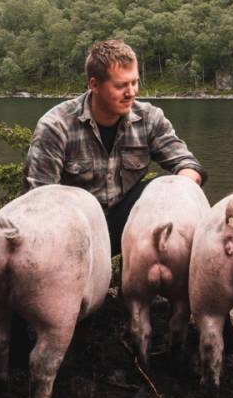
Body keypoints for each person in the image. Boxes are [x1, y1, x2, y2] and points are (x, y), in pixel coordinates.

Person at [24, 39, 206, 255]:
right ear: (94, 85)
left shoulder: (149, 118)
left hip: (125, 224)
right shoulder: (56, 126)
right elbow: (38, 200)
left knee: (164, 185)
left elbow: (188, 165)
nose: (131, 92)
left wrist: (178, 191)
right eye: (120, 86)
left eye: (134, 82)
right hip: (73, 229)